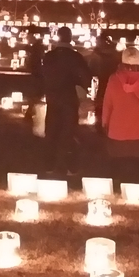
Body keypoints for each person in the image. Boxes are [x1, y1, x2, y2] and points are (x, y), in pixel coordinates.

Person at [102, 47, 139, 180]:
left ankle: (121, 189)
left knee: (120, 166)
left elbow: (107, 104)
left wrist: (105, 124)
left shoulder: (113, 79)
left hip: (117, 131)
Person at [42, 26, 91, 176]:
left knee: (51, 131)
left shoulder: (49, 56)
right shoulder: (76, 57)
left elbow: (42, 75)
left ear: (58, 37)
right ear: (70, 38)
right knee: (68, 131)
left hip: (52, 97)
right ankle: (69, 166)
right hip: (69, 98)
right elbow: (85, 77)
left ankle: (50, 165)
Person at [86, 35, 119, 133]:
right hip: (111, 82)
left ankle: (100, 125)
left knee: (101, 103)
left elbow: (91, 68)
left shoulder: (97, 54)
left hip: (103, 81)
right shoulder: (114, 53)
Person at [23, 34, 45, 121]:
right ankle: (31, 110)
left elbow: (34, 60)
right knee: (36, 93)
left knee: (35, 92)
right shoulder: (37, 47)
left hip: (37, 73)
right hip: (37, 72)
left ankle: (30, 111)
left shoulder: (36, 48)